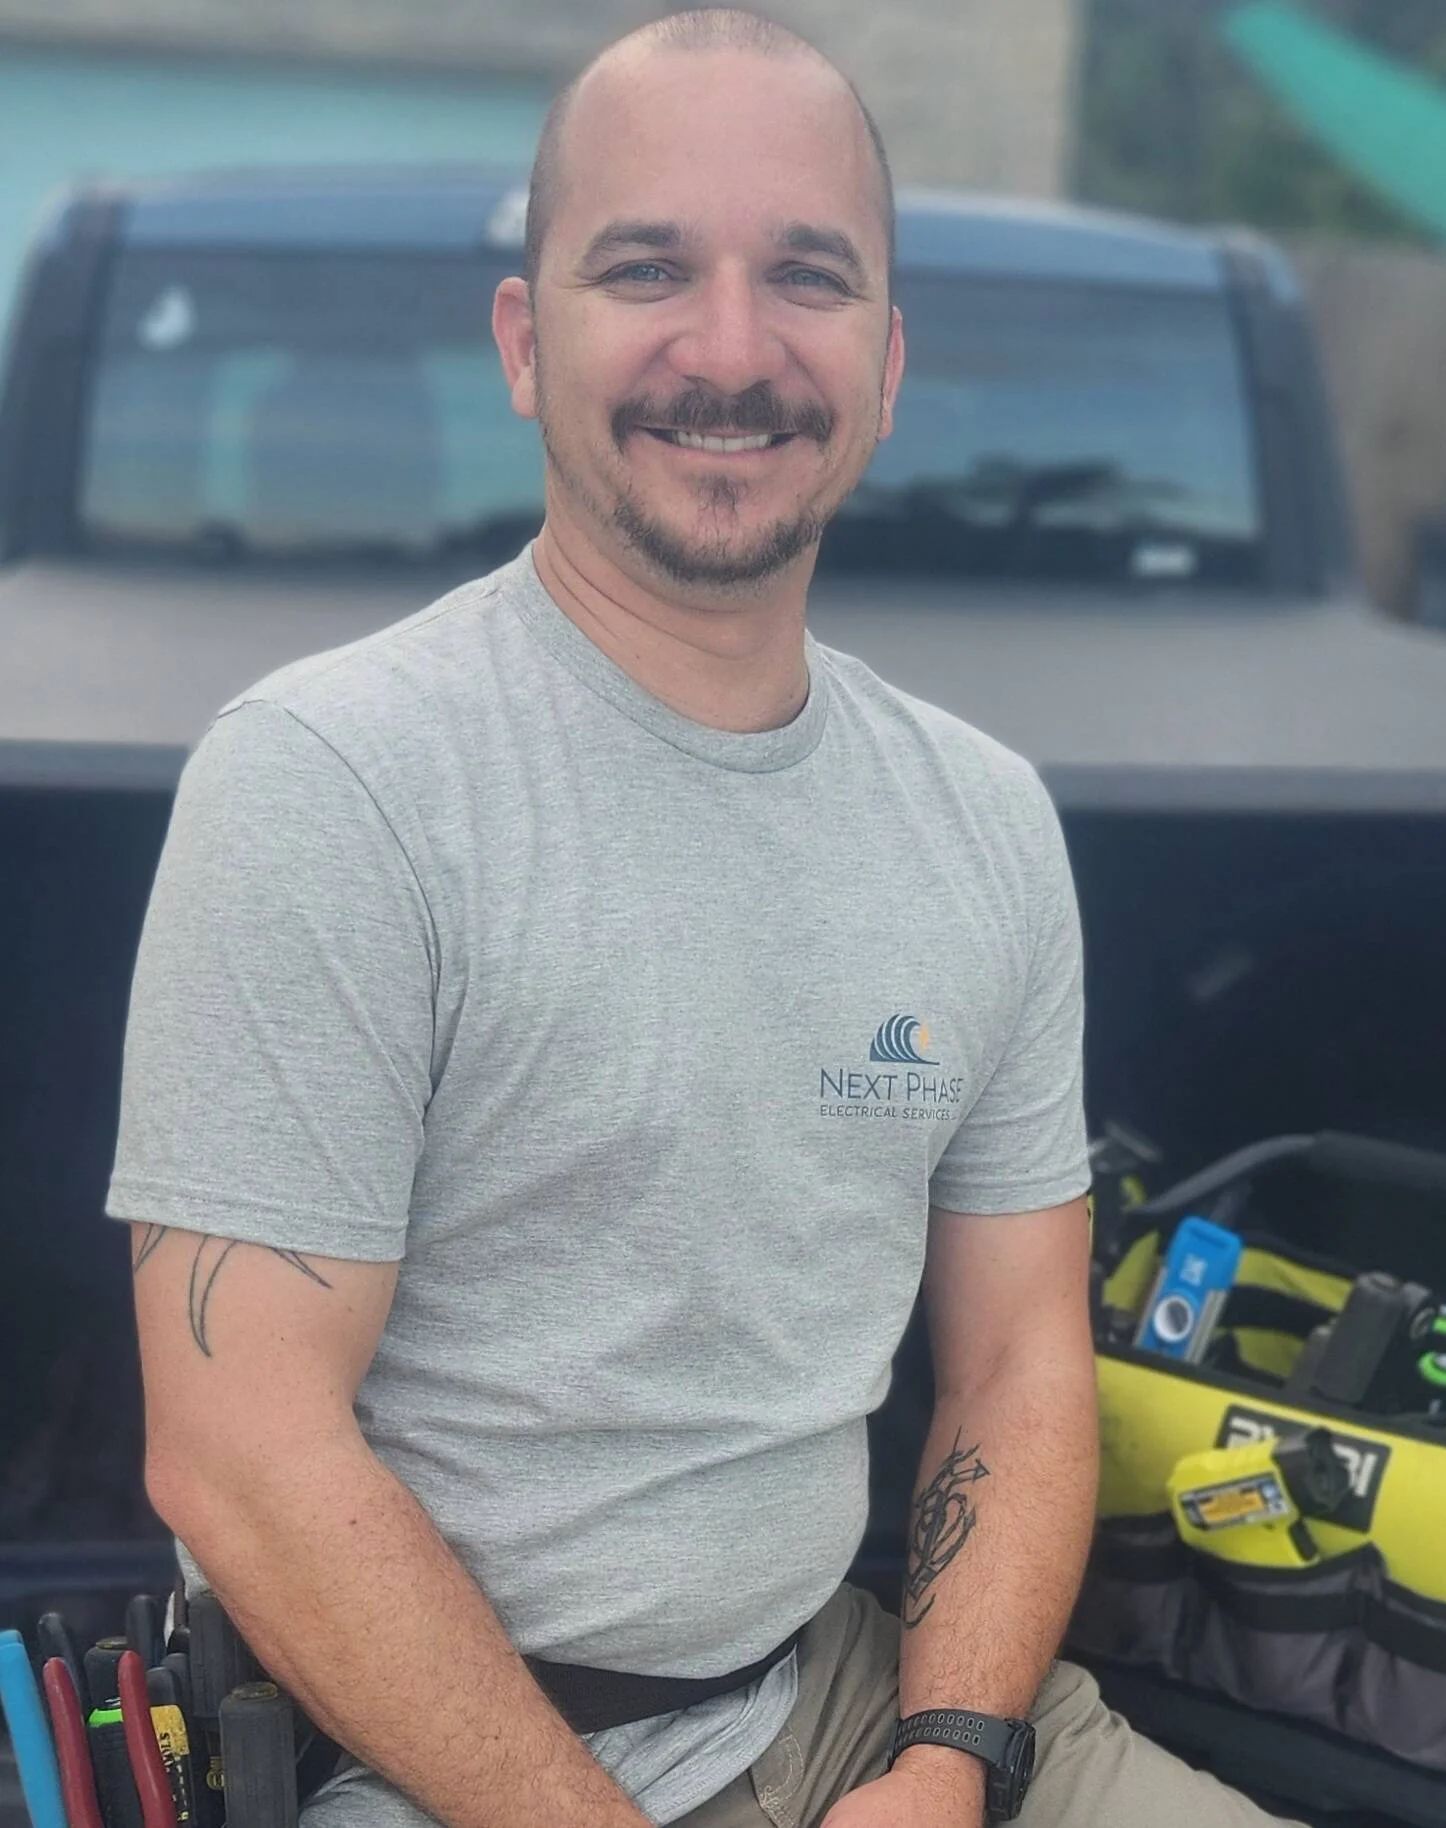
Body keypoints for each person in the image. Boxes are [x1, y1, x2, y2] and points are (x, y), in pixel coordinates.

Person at [109, 11, 1297, 1828]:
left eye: (805, 277)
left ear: (888, 367)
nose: (730, 352)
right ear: (527, 341)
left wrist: (954, 1754)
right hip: (417, 1757)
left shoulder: (978, 823)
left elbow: (1014, 1355)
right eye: (647, 267)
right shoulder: (332, 784)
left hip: (843, 1695)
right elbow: (240, 1455)